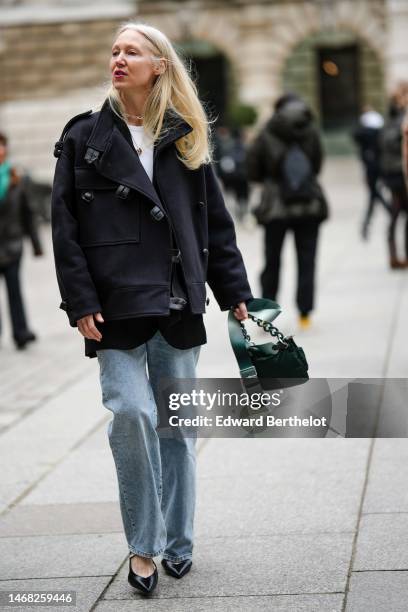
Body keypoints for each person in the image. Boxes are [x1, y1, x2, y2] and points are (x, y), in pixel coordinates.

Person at [51, 21, 253, 596]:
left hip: (175, 302)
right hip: (113, 311)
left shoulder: (185, 137)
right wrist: (80, 302)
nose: (118, 59)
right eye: (114, 51)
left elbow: (215, 224)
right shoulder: (83, 138)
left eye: (131, 52)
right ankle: (143, 545)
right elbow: (63, 229)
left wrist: (234, 293)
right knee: (133, 416)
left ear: (158, 65)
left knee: (177, 431)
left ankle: (178, 541)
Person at [246, 93, 328, 329]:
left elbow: (252, 169)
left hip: (275, 206)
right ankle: (305, 314)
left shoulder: (267, 131)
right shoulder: (311, 129)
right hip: (309, 203)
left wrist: (271, 178)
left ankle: (267, 315)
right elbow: (318, 164)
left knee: (272, 260)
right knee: (307, 259)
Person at [0, 132, 43, 349]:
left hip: (12, 244)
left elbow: (29, 213)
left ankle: (21, 332)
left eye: (1, 146)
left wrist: (36, 245)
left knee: (14, 290)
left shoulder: (17, 177)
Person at [380, 83, 408, 269]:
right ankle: (397, 255)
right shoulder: (401, 121)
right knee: (400, 215)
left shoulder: (389, 119)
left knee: (396, 215)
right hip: (399, 174)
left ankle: (394, 255)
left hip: (392, 173)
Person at [352, 106, 391, 240]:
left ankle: (388, 212)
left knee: (373, 193)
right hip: (377, 165)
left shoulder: (367, 127)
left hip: (374, 166)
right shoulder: (377, 125)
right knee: (373, 194)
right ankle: (369, 222)